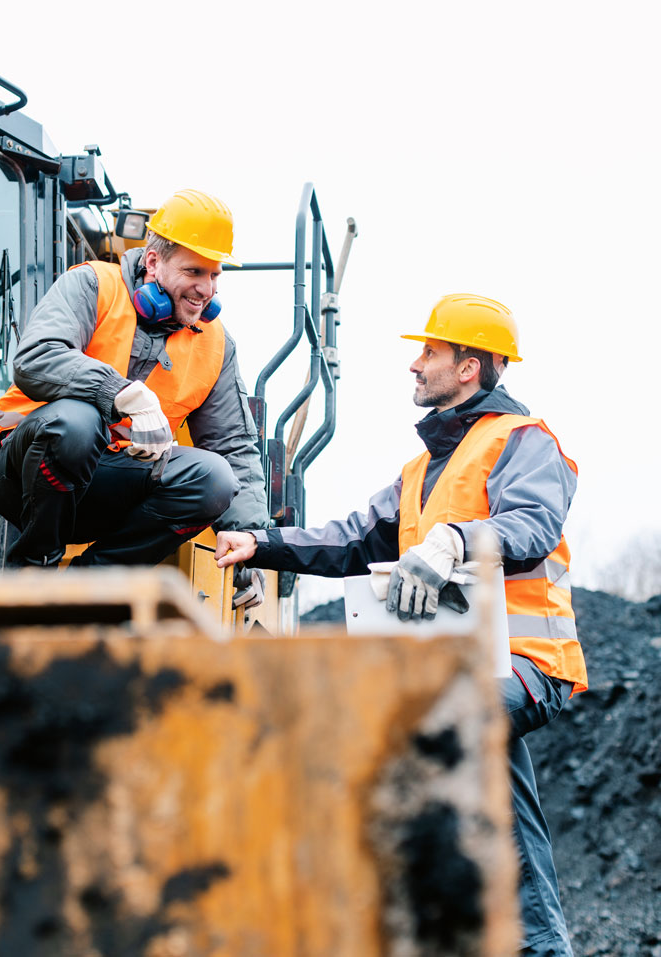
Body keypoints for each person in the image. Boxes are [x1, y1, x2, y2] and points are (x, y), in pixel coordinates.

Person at [215, 293, 587, 956]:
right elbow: (352, 540)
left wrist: (451, 540)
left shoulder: (524, 442)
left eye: (430, 353)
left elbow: (529, 527)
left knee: (429, 723)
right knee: (490, 774)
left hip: (529, 663)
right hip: (463, 665)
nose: (414, 365)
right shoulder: (419, 471)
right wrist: (261, 543)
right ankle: (525, 942)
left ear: (470, 366)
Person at [0, 188, 269, 590]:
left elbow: (232, 445)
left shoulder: (216, 344)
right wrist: (123, 393)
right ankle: (33, 571)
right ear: (153, 262)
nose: (207, 290)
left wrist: (252, 542)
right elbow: (36, 357)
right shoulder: (94, 285)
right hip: (19, 471)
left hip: (106, 483)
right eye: (194, 272)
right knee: (77, 422)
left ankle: (90, 587)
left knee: (215, 478)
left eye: (215, 275)